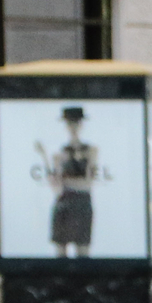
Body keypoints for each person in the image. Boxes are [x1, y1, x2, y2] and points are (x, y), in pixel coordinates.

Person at [36, 107, 101, 259]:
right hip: (64, 204)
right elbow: (57, 188)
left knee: (83, 253)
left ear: (81, 125)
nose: (73, 127)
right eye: (69, 123)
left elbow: (88, 183)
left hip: (82, 204)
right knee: (60, 253)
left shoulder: (91, 150)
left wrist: (65, 181)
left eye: (76, 123)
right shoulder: (59, 153)